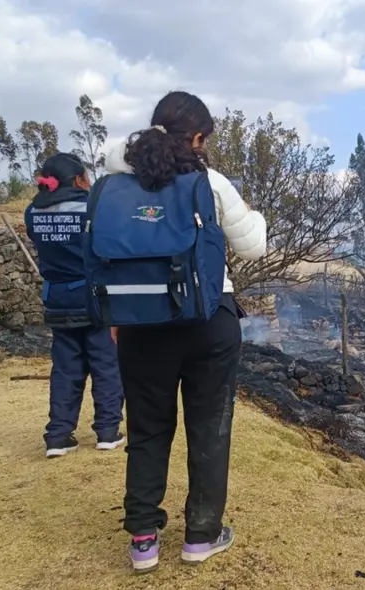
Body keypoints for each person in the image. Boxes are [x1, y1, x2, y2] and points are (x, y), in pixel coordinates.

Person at [103, 91, 267, 574]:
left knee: (147, 430)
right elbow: (254, 245)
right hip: (207, 319)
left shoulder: (118, 176)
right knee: (209, 429)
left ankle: (143, 541)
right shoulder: (211, 181)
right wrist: (251, 212)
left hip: (139, 323)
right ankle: (201, 535)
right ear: (197, 137)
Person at [24, 153, 124, 458]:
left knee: (66, 369)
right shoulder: (90, 207)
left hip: (57, 300)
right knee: (106, 365)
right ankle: (107, 431)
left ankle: (58, 436)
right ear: (79, 179)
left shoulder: (32, 212)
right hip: (94, 299)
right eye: (87, 176)